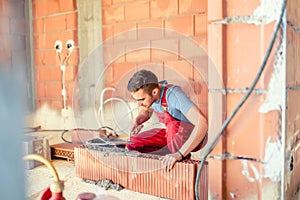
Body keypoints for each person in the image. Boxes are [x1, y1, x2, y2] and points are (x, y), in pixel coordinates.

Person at [126, 69, 208, 171]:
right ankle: (164, 160)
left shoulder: (174, 95)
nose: (139, 104)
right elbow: (146, 111)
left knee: (172, 126)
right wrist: (136, 121)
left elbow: (202, 123)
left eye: (142, 100)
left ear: (155, 92)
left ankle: (181, 165)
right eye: (137, 100)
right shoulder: (150, 92)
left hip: (190, 136)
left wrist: (179, 154)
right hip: (171, 136)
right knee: (133, 143)